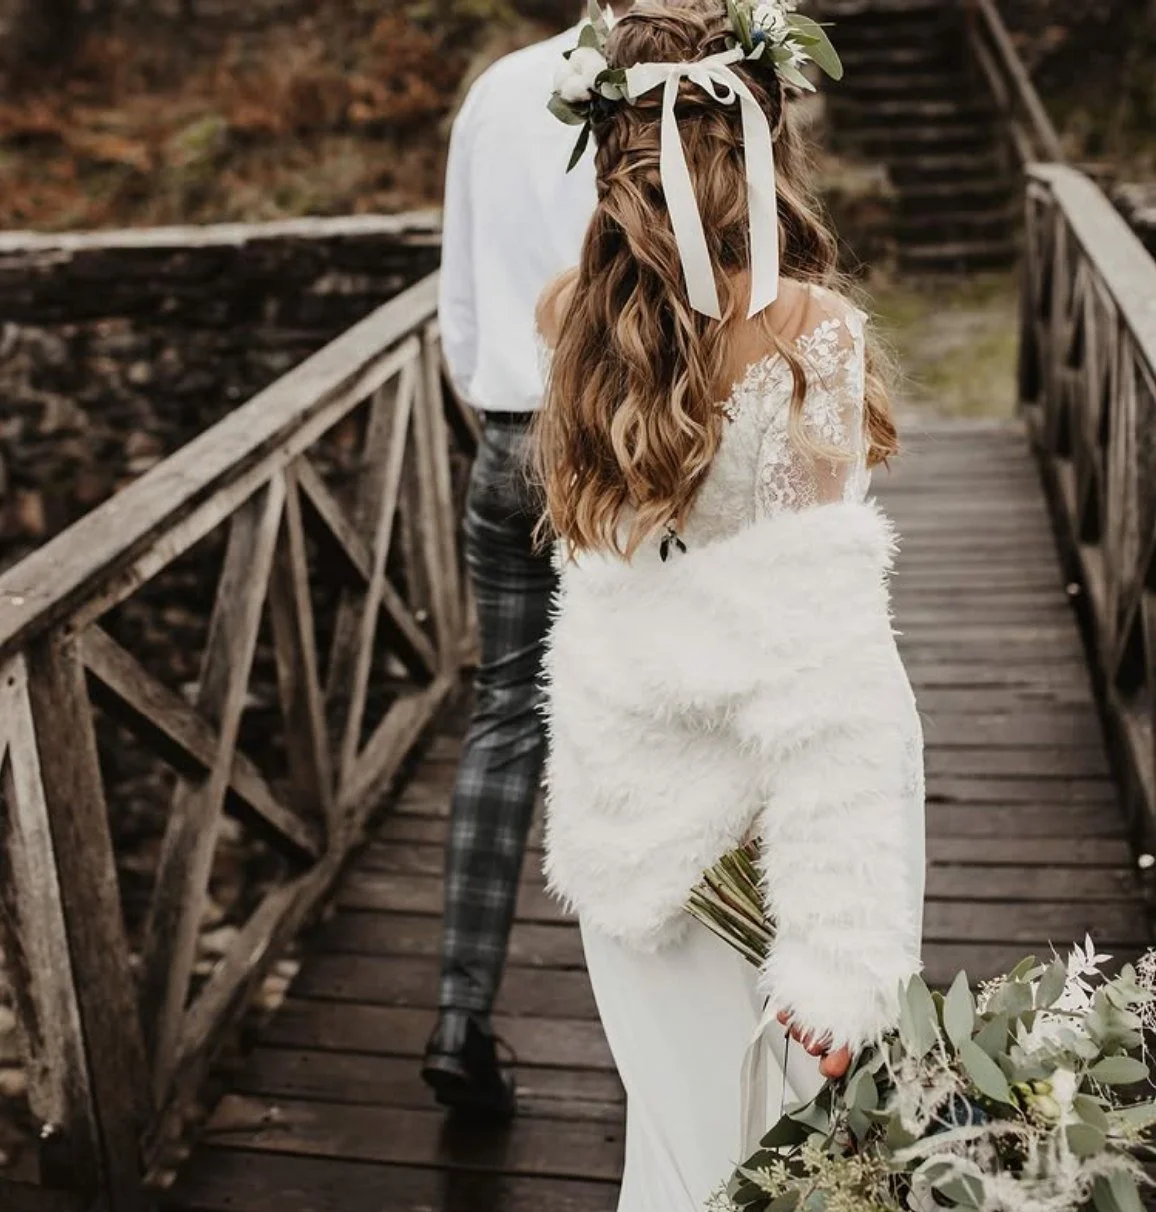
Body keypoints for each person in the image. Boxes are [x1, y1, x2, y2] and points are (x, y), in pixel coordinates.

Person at [534, 2, 927, 1207]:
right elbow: (827, 650)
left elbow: (595, 554)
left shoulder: (572, 321)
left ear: (612, 155)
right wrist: (844, 947)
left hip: (630, 802)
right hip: (774, 810)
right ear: (765, 135)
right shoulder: (812, 334)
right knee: (788, 1154)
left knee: (682, 1136)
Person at [422, 1, 634, 1118]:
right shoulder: (667, 84)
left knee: (505, 717)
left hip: (504, 436)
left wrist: (505, 416)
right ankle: (659, 1032)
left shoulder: (495, 88)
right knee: (654, 716)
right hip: (619, 446)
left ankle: (461, 1015)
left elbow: (456, 310)